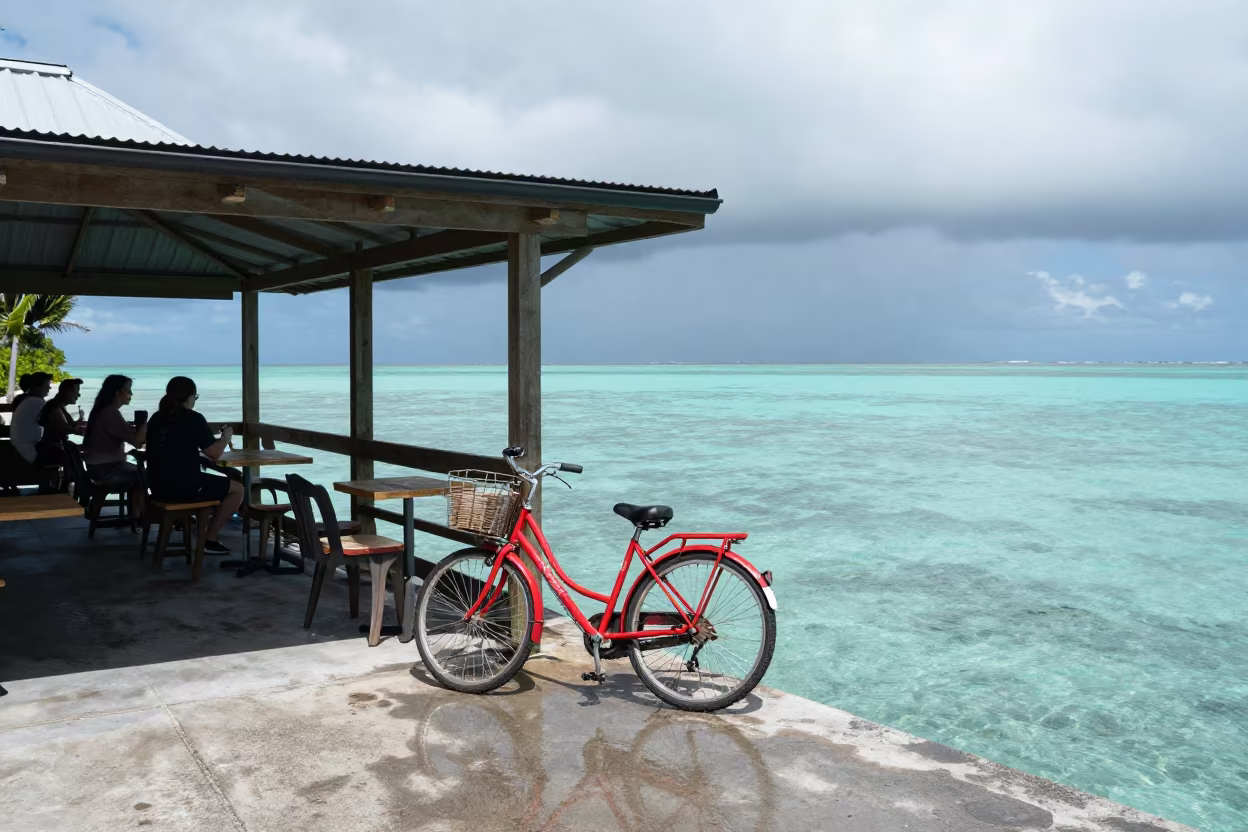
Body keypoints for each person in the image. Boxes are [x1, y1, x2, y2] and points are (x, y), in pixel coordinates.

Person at [145, 376, 243, 554]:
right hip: (183, 489)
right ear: (189, 397)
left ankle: (201, 527)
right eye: (195, 397)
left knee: (217, 483)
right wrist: (226, 437)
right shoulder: (193, 418)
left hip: (156, 487)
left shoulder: (156, 418)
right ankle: (209, 539)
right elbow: (214, 453)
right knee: (237, 489)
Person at [82, 374, 146, 497]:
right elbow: (138, 443)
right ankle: (138, 514)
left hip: (97, 466)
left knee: (141, 474)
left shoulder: (102, 410)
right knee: (144, 476)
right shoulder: (111, 413)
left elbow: (123, 431)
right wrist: (143, 423)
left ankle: (136, 513)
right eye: (127, 390)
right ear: (117, 393)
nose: (131, 394)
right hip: (106, 469)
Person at [34, 378, 85, 470]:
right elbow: (66, 429)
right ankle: (80, 480)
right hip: (52, 450)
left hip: (54, 447)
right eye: (76, 392)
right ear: (68, 392)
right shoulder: (55, 409)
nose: (78, 395)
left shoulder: (58, 406)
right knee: (80, 450)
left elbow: (71, 425)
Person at [9, 372, 53, 463]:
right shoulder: (37, 402)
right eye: (47, 385)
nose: (49, 388)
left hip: (20, 447)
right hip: (30, 451)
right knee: (66, 453)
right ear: (37, 387)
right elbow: (55, 422)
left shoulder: (27, 400)